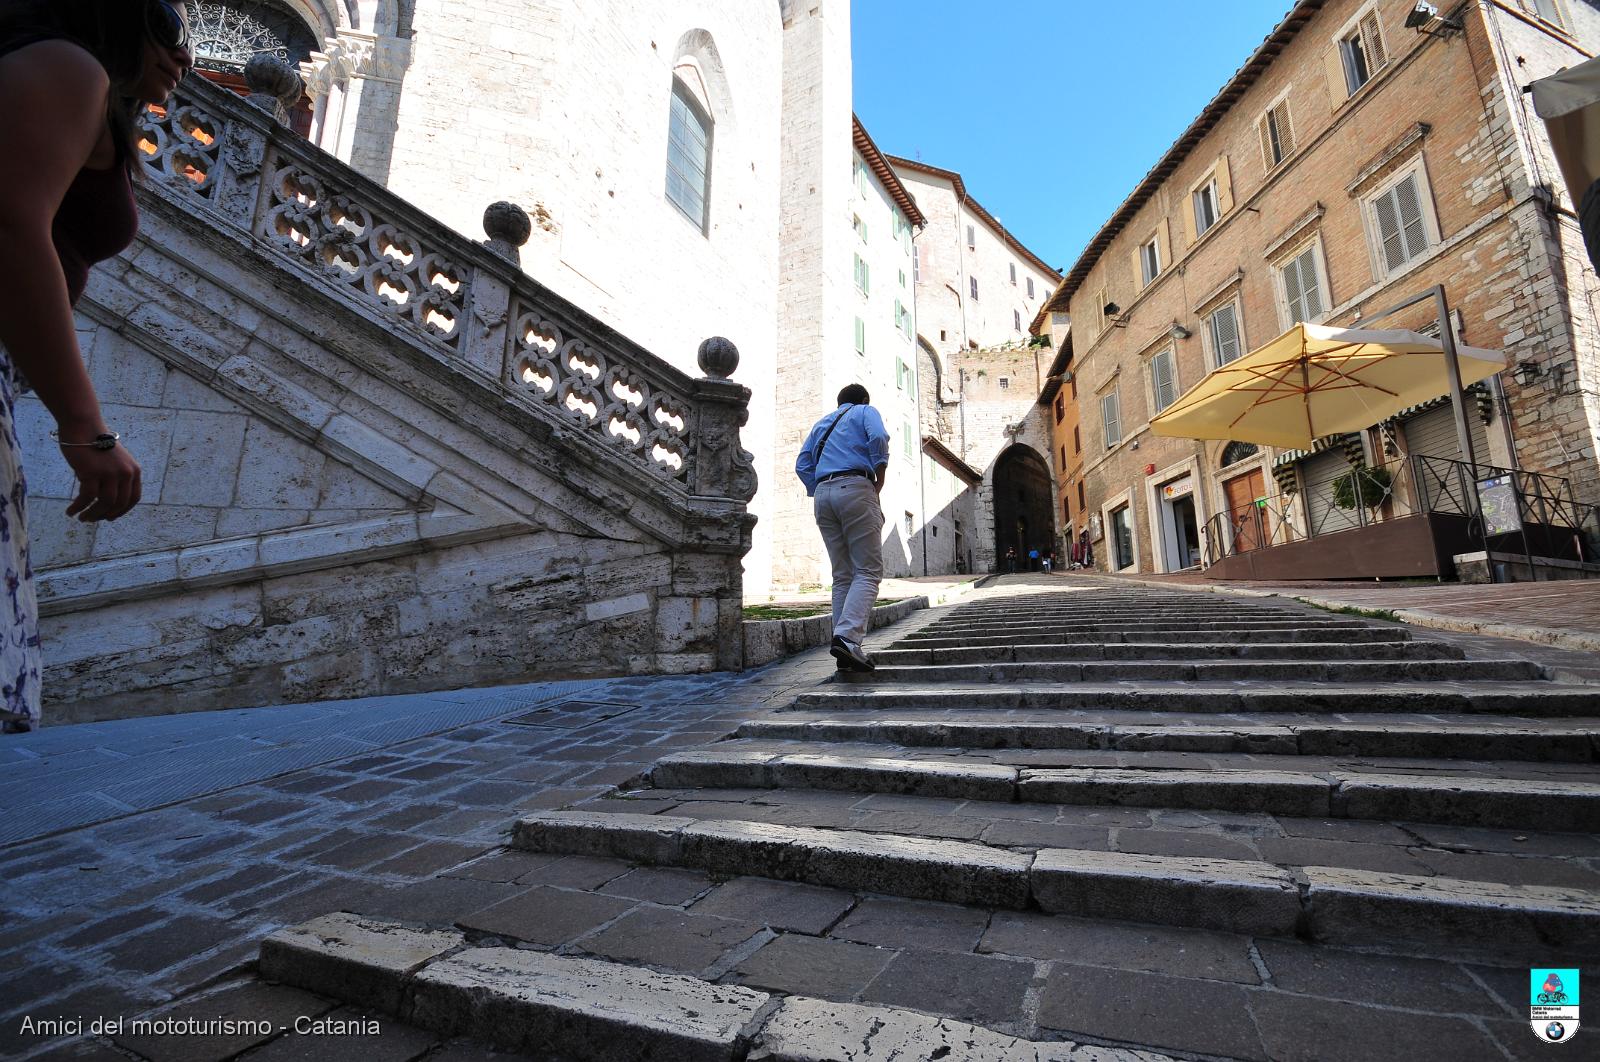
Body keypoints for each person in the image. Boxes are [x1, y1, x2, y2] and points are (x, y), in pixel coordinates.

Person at [0, 0, 190, 730]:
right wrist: (86, 428)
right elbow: (12, 226)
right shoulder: (65, 66)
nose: (183, 60)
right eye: (168, 28)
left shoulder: (82, 89)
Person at [795, 384, 889, 672]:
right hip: (856, 486)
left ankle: (843, 646)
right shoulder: (865, 410)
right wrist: (879, 479)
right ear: (863, 398)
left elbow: (802, 464)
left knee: (842, 574)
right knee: (869, 570)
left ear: (839, 403)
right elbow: (878, 438)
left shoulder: (821, 424)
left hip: (823, 494)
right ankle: (848, 639)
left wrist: (821, 486)